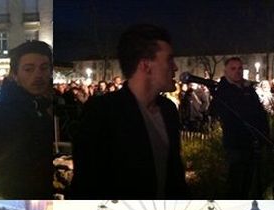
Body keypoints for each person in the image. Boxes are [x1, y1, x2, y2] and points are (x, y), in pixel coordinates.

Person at [71, 24, 188, 199]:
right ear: (146, 65)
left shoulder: (168, 110)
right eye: (169, 59)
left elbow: (174, 173)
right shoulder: (102, 112)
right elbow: (87, 183)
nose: (175, 67)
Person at [0, 40, 54, 198]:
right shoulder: (9, 114)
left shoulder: (36, 105)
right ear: (15, 74)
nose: (38, 75)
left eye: (44, 68)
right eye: (29, 69)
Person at [210, 57, 269, 199]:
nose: (237, 71)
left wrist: (264, 133)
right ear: (226, 71)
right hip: (235, 144)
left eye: (240, 68)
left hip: (252, 142)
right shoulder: (222, 91)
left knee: (249, 182)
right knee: (235, 184)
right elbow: (217, 111)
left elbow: (259, 112)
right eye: (233, 68)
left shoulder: (248, 89)